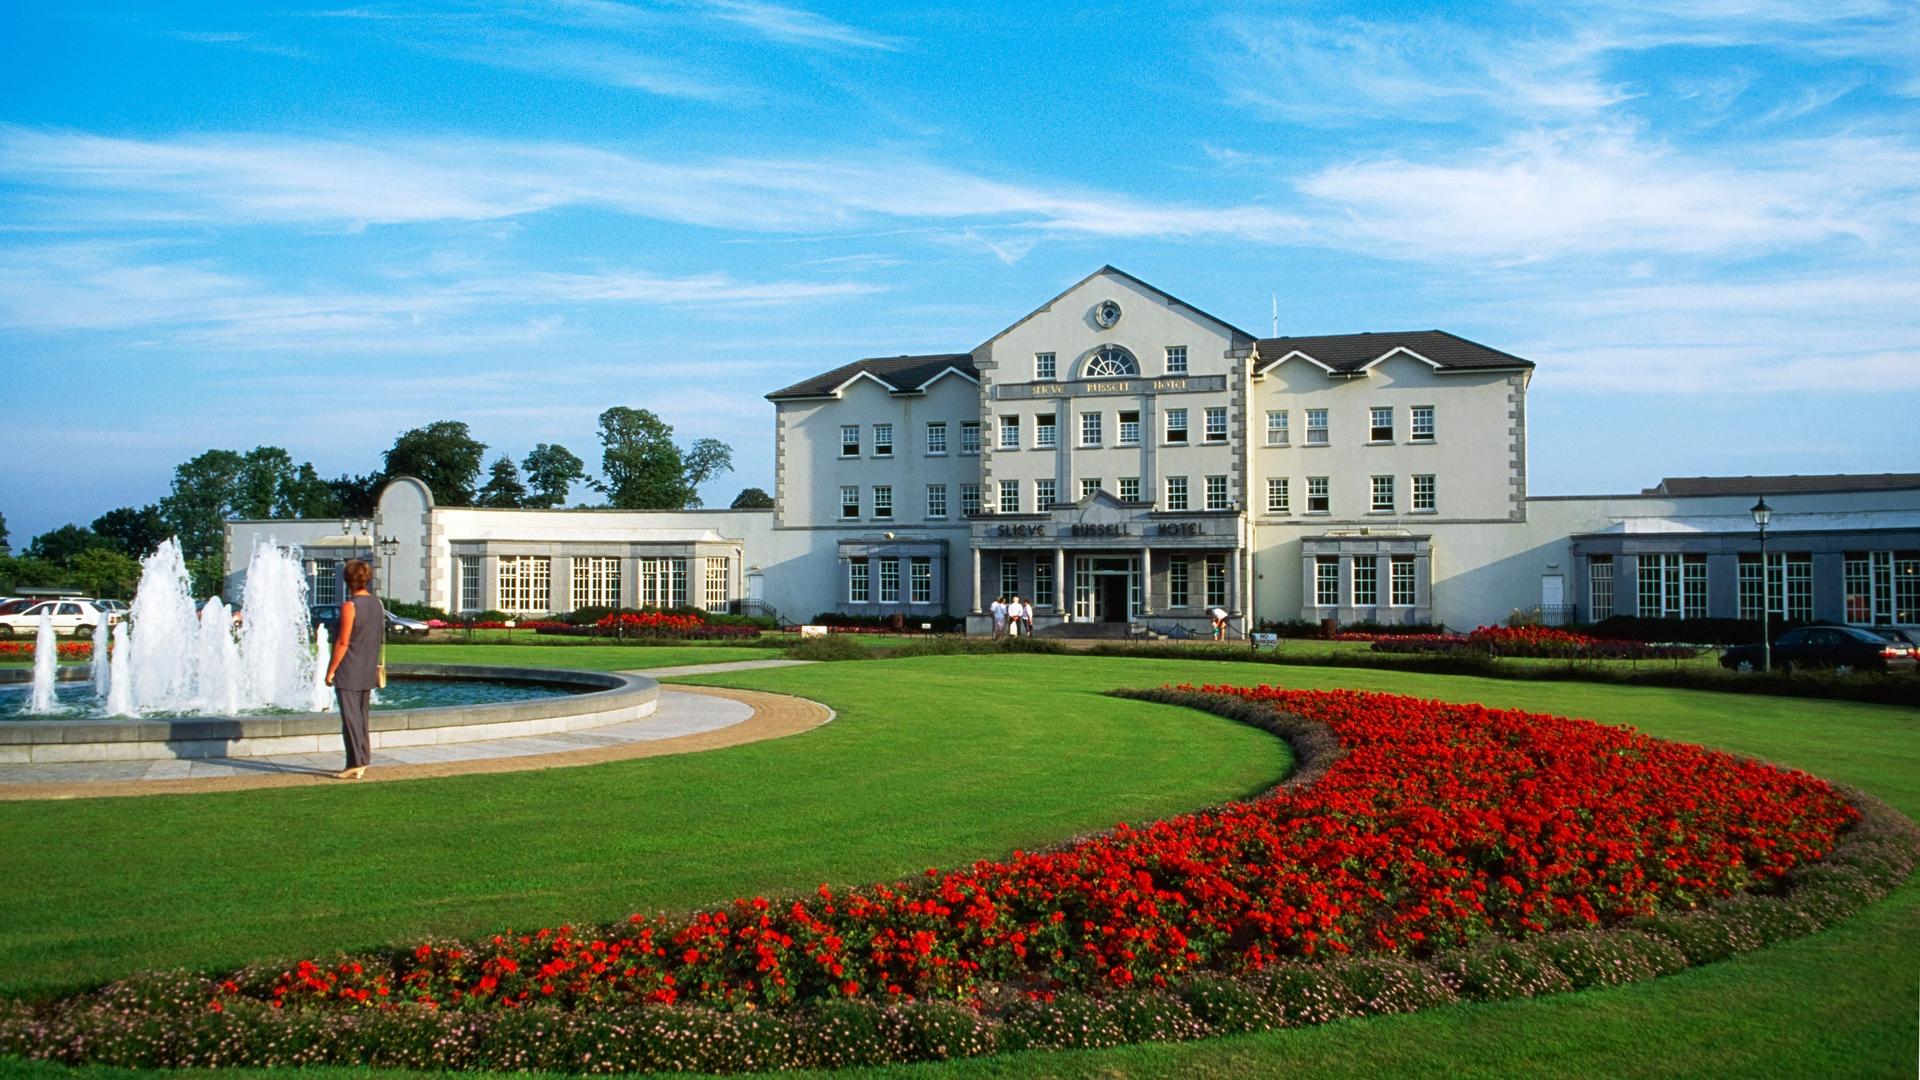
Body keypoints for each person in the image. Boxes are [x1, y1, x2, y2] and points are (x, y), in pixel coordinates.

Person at [324, 559, 386, 780]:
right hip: (367, 667)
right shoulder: (378, 604)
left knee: (350, 718)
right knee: (361, 717)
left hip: (350, 668)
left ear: (348, 580)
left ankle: (356, 762)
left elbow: (342, 642)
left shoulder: (350, 606)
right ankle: (360, 760)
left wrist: (330, 671)